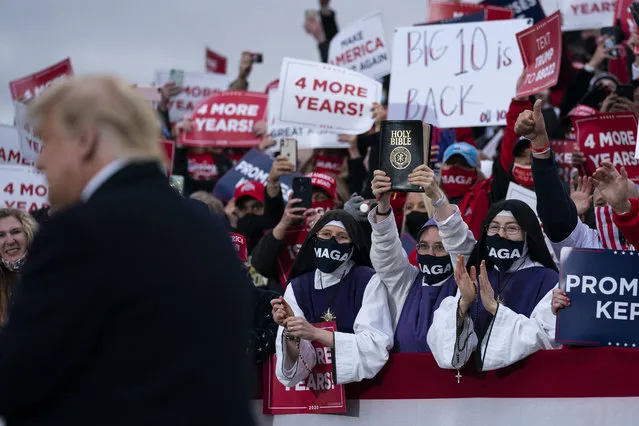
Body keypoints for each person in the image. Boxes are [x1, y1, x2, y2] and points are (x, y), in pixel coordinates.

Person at [0, 75, 253, 426]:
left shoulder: (75, 231)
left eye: (47, 141)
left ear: (85, 141)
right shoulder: (207, 227)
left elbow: (21, 378)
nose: (39, 162)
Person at [427, 199, 560, 371]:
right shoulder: (476, 275)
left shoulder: (549, 280)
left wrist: (494, 308)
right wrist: (463, 303)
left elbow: (545, 338)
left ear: (528, 235)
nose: (501, 235)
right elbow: (441, 344)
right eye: (494, 227)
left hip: (526, 384)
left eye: (511, 228)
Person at [270, 210, 393, 386]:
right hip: (316, 392)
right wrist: (291, 331)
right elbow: (292, 374)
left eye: (342, 236)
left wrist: (316, 334)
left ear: (353, 246)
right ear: (314, 240)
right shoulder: (297, 287)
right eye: (326, 234)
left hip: (365, 392)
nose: (333, 242)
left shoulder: (368, 280)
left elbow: (375, 347)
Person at [369, 165, 475, 352]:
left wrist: (436, 195)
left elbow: (458, 239)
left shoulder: (462, 281)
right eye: (423, 246)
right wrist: (384, 205)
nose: (430, 253)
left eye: (440, 247)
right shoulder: (407, 282)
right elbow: (386, 254)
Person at [516, 99, 638, 254]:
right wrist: (539, 141)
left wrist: (622, 209)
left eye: (621, 201)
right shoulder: (585, 241)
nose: (610, 206)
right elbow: (555, 216)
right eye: (601, 204)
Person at [0, 208, 38, 325]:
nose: (10, 241)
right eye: (1, 235)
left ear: (28, 234)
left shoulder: (50, 274)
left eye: (16, 232)